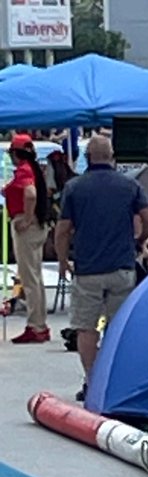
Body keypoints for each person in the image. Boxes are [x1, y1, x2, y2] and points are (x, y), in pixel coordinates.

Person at [54, 134, 148, 403]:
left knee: (86, 328)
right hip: (122, 267)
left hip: (88, 268)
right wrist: (140, 240)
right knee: (118, 327)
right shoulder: (129, 186)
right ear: (112, 158)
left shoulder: (75, 188)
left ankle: (92, 381)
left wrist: (64, 260)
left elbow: (63, 230)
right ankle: (115, 381)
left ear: (87, 158)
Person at [3, 133, 51, 344]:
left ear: (16, 153)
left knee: (29, 277)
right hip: (38, 225)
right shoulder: (34, 169)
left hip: (25, 223)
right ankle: (40, 323)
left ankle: (35, 326)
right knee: (36, 276)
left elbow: (29, 194)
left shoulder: (24, 171)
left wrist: (27, 218)